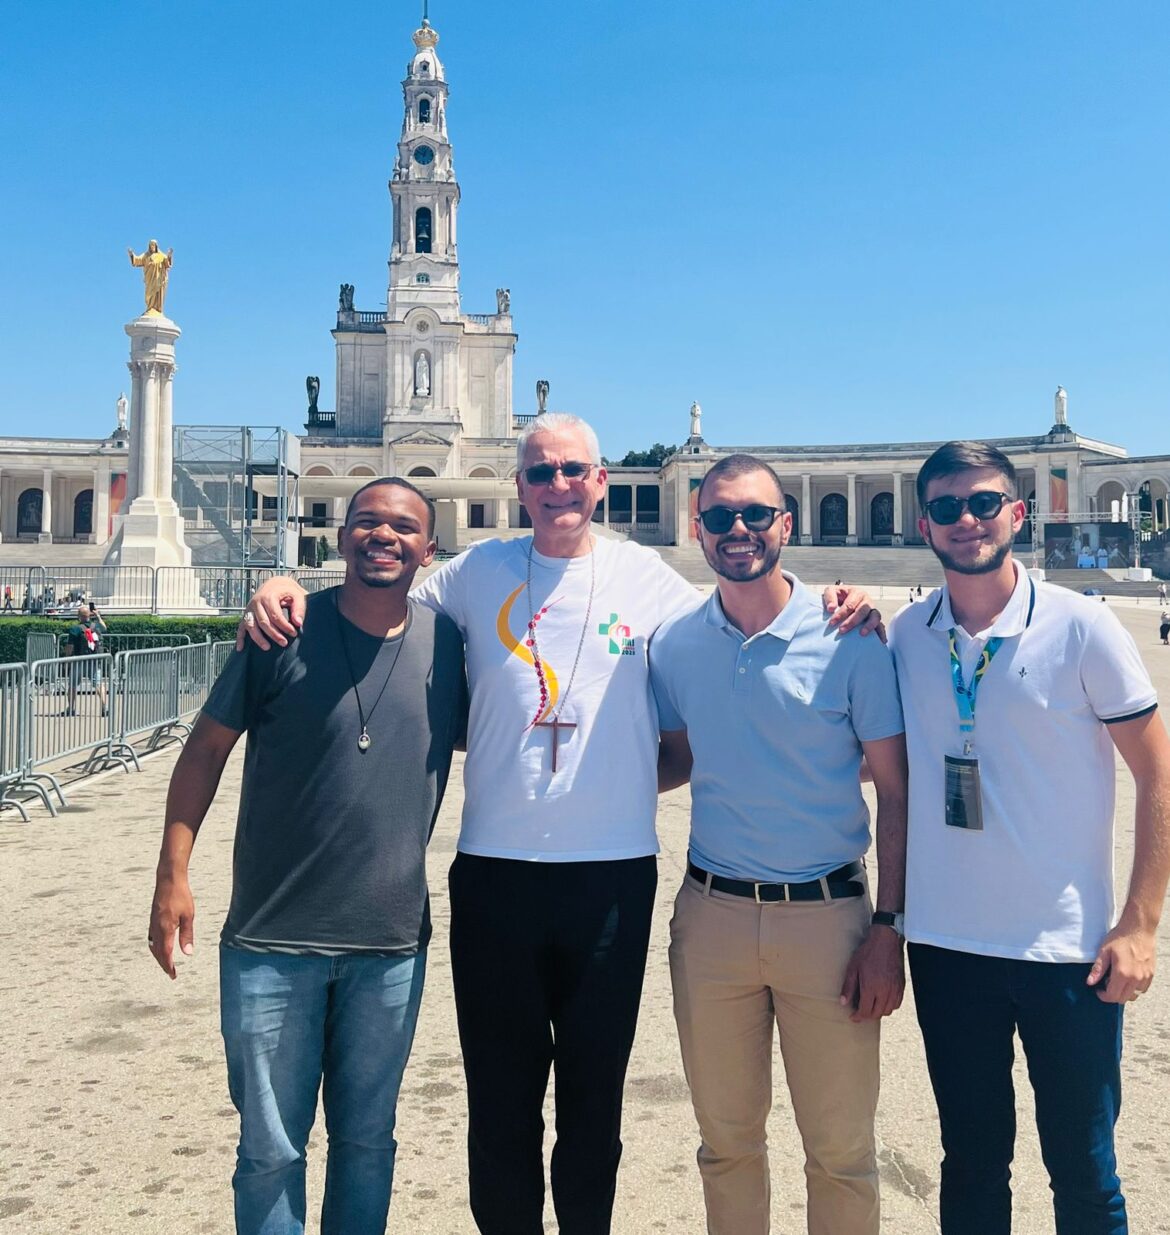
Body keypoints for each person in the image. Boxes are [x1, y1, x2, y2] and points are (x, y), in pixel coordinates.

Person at [238, 416, 883, 1235]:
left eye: (573, 470)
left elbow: (739, 622)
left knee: (592, 1099)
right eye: (539, 473)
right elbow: (378, 597)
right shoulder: (477, 573)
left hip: (610, 880)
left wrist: (844, 600)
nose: (557, 487)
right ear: (519, 486)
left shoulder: (647, 582)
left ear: (602, 479)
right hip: (495, 877)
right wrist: (285, 590)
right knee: (500, 1101)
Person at [147, 477, 467, 1235]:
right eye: (365, 522)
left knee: (366, 1144)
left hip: (389, 944)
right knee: (268, 1149)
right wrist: (172, 874)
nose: (381, 535)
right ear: (340, 536)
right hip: (269, 938)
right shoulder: (279, 632)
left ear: (428, 548)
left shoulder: (448, 645)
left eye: (401, 526)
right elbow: (204, 753)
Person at [888, 441, 1170, 1235]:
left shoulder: (1083, 626)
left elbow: (1159, 772)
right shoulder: (906, 634)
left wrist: (1141, 923)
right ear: (925, 524)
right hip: (947, 946)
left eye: (984, 502)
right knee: (972, 1165)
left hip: (1067, 952)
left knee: (1083, 1169)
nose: (967, 519)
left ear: (1019, 510)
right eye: (947, 507)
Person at [651, 455, 908, 1235]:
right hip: (712, 916)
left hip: (827, 918)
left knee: (840, 1151)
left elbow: (895, 790)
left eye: (756, 514)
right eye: (721, 516)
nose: (739, 530)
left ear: (785, 525)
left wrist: (888, 929)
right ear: (697, 528)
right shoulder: (677, 643)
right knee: (726, 1145)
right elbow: (677, 755)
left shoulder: (850, 635)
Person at [62, 602, 108, 716]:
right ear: (89, 615)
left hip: (78, 660)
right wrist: (98, 616)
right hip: (93, 659)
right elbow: (104, 627)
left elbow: (70, 647)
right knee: (98, 684)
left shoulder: (75, 629)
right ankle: (104, 707)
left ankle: (71, 708)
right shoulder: (95, 626)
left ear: (79, 616)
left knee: (72, 685)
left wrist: (66, 659)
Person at [128, 239, 174, 314]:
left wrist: (169, 255)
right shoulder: (146, 255)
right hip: (149, 279)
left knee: (158, 293)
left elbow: (167, 264)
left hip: (158, 279)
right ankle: (150, 307)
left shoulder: (161, 255)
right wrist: (131, 254)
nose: (152, 246)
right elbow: (137, 260)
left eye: (153, 245)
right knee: (149, 293)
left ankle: (157, 309)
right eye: (151, 245)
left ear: (156, 246)